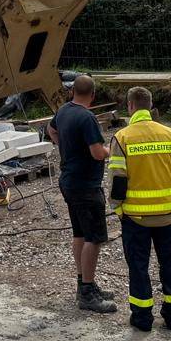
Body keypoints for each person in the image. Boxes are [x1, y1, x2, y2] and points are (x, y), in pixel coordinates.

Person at [107, 87, 171, 331]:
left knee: (138, 267)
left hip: (136, 217)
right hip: (167, 216)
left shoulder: (123, 138)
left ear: (130, 106)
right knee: (170, 265)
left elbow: (117, 180)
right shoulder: (169, 134)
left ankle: (143, 318)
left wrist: (119, 211)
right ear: (150, 105)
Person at [47, 74, 117, 313]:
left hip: (69, 181)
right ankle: (87, 292)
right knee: (94, 238)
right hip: (85, 185)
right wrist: (113, 150)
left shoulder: (64, 110)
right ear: (93, 95)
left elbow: (51, 129)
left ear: (72, 91)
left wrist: (64, 147)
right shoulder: (87, 118)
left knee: (80, 233)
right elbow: (98, 153)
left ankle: (84, 283)